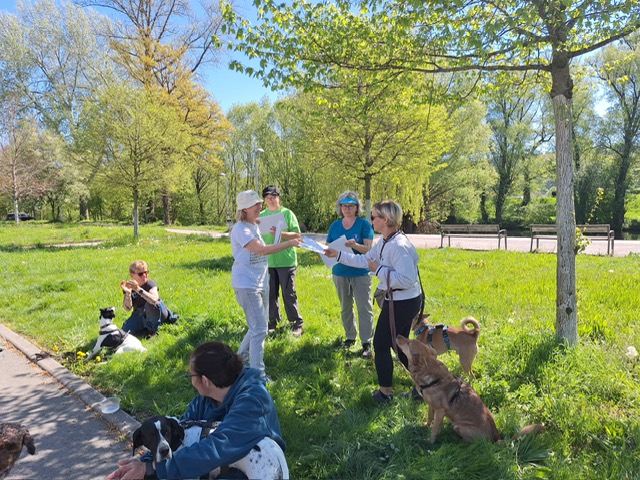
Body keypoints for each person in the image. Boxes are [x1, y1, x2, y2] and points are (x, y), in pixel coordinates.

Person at [106, 341, 287, 480]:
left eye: (191, 375)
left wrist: (154, 468)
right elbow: (179, 434)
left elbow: (217, 448)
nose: (191, 381)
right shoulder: (205, 399)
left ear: (205, 381)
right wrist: (145, 462)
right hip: (226, 465)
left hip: (261, 468)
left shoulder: (253, 401)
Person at [325, 200, 422, 404]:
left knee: (381, 344)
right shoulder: (386, 241)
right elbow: (365, 260)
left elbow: (407, 279)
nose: (371, 221)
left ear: (385, 219)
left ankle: (386, 394)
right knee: (399, 344)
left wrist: (378, 269)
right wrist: (339, 254)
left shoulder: (398, 245)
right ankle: (424, 385)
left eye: (374, 217)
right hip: (398, 299)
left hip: (403, 302)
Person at [232, 190, 302, 378]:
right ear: (244, 209)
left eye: (259, 203)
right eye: (255, 204)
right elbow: (261, 250)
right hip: (247, 285)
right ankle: (258, 375)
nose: (260, 206)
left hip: (260, 282)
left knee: (257, 327)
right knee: (260, 330)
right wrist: (290, 243)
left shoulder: (254, 225)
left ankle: (238, 362)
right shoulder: (241, 229)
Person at [326, 191, 375, 358]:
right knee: (345, 307)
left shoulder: (364, 224)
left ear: (357, 208)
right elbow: (328, 246)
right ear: (340, 208)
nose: (347, 208)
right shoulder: (335, 226)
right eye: (344, 206)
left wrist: (355, 245)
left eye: (351, 206)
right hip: (340, 272)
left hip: (360, 272)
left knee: (364, 308)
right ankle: (350, 337)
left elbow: (368, 249)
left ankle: (367, 342)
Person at [259, 185, 304, 337]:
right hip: (268, 261)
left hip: (286, 260)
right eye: (268, 198)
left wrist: (281, 233)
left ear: (279, 198)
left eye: (273, 197)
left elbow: (297, 235)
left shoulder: (287, 213)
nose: (271, 200)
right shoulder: (261, 216)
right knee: (270, 293)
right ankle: (273, 322)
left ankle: (296, 323)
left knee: (289, 293)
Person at [120, 260, 167, 338]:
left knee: (150, 304)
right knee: (125, 332)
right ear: (132, 275)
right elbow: (127, 308)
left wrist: (138, 289)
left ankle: (153, 332)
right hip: (140, 314)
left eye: (146, 272)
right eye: (140, 274)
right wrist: (128, 294)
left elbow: (154, 300)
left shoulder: (150, 283)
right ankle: (146, 328)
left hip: (157, 311)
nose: (144, 275)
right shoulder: (129, 286)